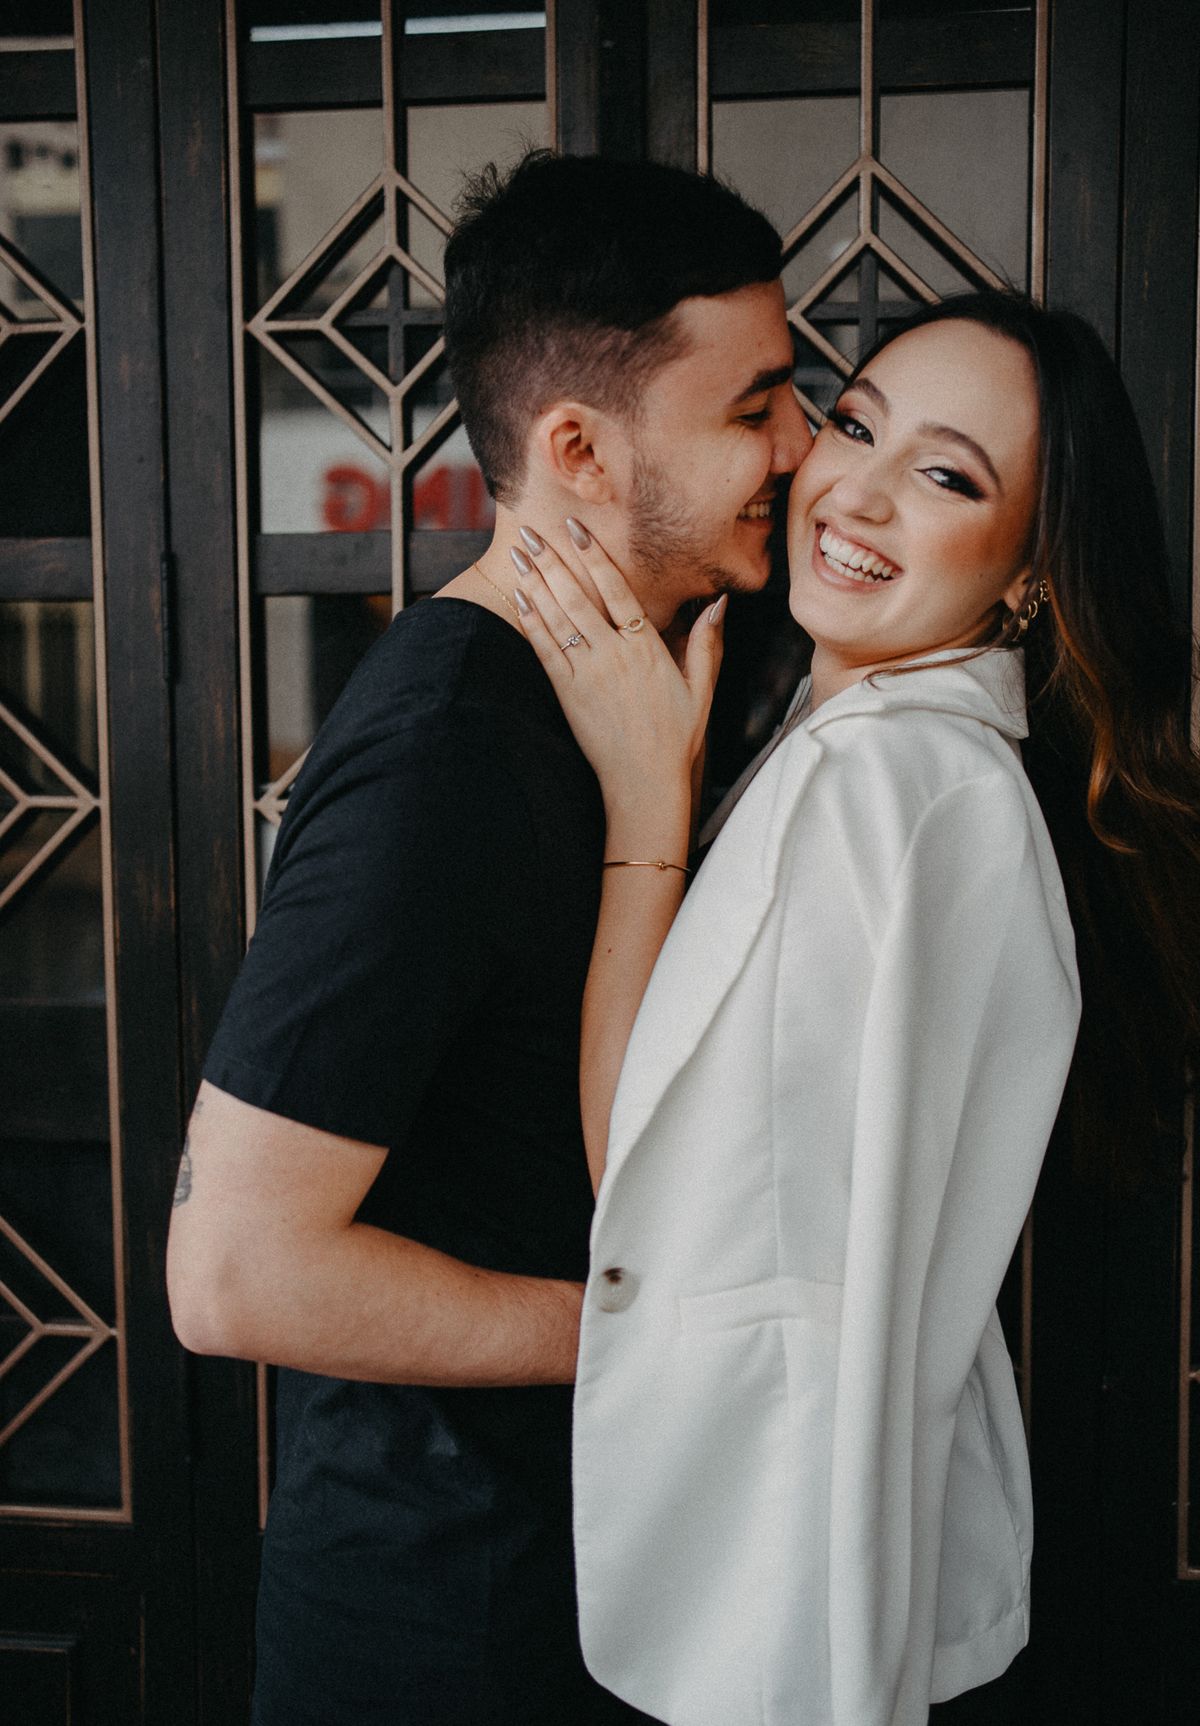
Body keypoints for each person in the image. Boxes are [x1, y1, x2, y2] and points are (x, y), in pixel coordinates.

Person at [164, 150, 811, 1726]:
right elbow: (235, 1270)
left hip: (601, 1585)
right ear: (578, 447)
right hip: (444, 1624)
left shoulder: (672, 675)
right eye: (755, 409)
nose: (803, 444)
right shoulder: (445, 748)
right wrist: (651, 1331)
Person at [511, 290, 1200, 1726]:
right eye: (854, 423)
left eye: (946, 476)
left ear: (1030, 575)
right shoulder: (894, 757)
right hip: (815, 1557)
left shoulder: (888, 782)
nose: (858, 492)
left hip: (782, 1581)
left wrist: (644, 806)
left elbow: (638, 1174)